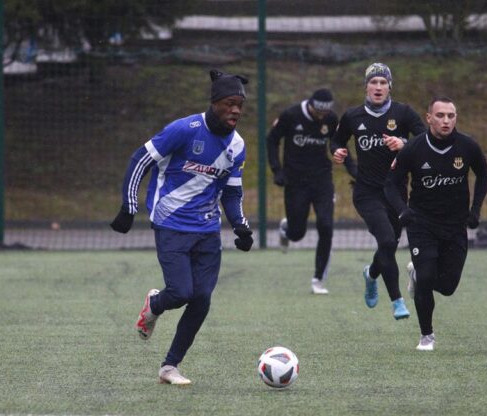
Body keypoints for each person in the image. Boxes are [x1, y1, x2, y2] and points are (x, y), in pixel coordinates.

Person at [109, 69, 254, 384]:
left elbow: (232, 193)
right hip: (170, 222)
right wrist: (128, 207)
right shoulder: (184, 129)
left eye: (240, 105)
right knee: (180, 292)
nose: (236, 110)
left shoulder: (237, 145)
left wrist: (241, 226)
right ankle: (154, 304)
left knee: (201, 298)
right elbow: (140, 160)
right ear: (214, 102)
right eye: (229, 104)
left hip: (208, 230)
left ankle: (170, 367)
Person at [385, 96, 487, 351]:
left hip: (455, 225)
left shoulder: (468, 147)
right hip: (422, 223)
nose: (446, 120)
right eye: (440, 115)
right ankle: (426, 337)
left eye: (451, 116)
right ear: (429, 118)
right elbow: (390, 184)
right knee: (427, 276)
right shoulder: (413, 149)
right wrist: (402, 211)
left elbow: (484, 174)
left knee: (448, 286)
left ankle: (416, 274)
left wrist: (475, 210)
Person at [332, 62, 426, 319]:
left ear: (389, 87)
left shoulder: (404, 113)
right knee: (385, 240)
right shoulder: (353, 116)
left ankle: (371, 273)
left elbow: (425, 140)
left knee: (389, 246)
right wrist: (338, 152)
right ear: (366, 87)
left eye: (383, 82)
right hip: (366, 192)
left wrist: (404, 143)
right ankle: (397, 302)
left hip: (396, 193)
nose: (378, 87)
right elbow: (337, 140)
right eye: (373, 82)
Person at [267, 88, 352, 295]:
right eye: (318, 112)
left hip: (322, 180)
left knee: (326, 225)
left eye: (325, 113)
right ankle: (286, 229)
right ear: (311, 105)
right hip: (296, 182)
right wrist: (277, 170)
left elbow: (337, 143)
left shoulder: (330, 118)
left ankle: (318, 280)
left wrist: (353, 169)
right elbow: (272, 140)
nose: (321, 116)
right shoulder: (291, 115)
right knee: (297, 234)